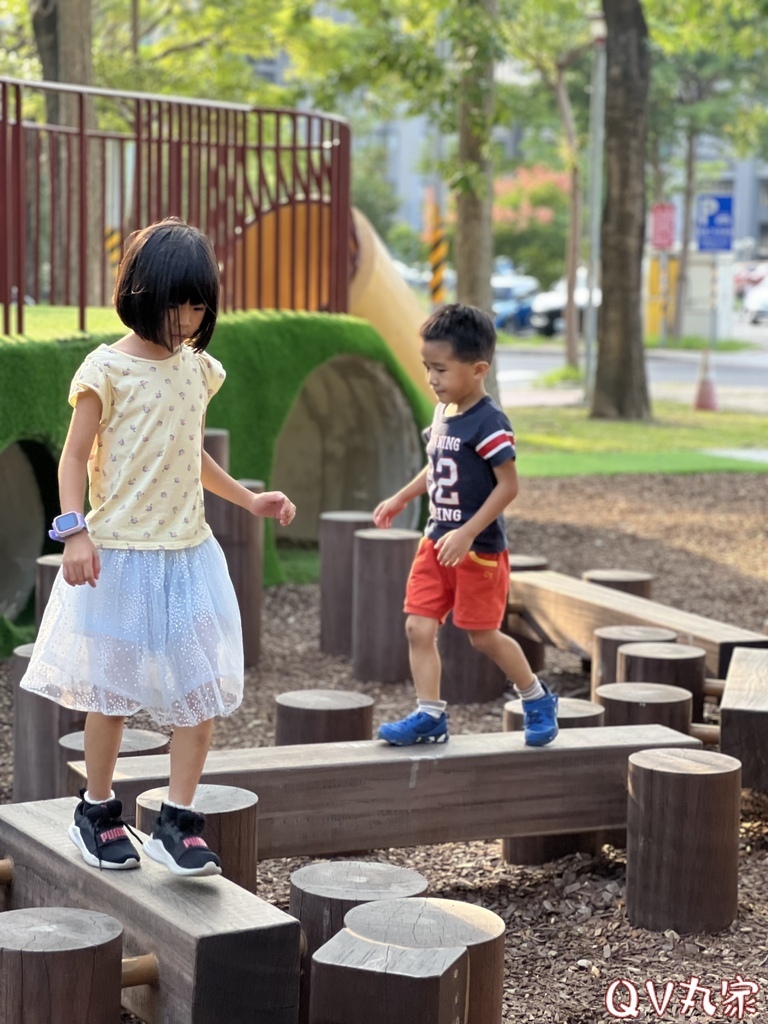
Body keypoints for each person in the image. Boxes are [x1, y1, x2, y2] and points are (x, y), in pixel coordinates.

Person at [20, 217, 296, 876]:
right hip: (119, 555)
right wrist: (74, 530)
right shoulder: (105, 370)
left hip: (187, 555)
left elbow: (189, 453)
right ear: (142, 294)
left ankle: (177, 820)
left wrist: (249, 499)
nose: (188, 317)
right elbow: (73, 458)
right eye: (178, 302)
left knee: (198, 691)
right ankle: (96, 809)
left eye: (199, 305)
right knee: (111, 697)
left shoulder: (197, 370)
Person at [373, 303, 558, 747]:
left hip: (479, 550)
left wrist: (469, 531)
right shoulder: (442, 415)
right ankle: (430, 714)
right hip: (436, 543)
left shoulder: (489, 421)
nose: (432, 379)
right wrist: (401, 496)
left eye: (441, 369)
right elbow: (436, 468)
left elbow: (508, 486)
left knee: (483, 637)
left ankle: (536, 698)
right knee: (418, 626)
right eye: (427, 368)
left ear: (478, 370)